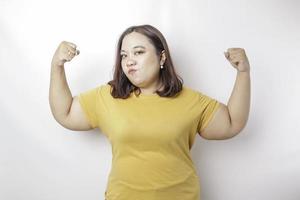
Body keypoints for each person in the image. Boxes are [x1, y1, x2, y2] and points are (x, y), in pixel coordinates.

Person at [49, 24, 251, 200]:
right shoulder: (108, 97)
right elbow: (65, 113)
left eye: (138, 52)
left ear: (161, 56)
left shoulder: (190, 100)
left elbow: (232, 123)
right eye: (124, 55)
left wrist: (243, 73)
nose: (129, 61)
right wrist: (57, 66)